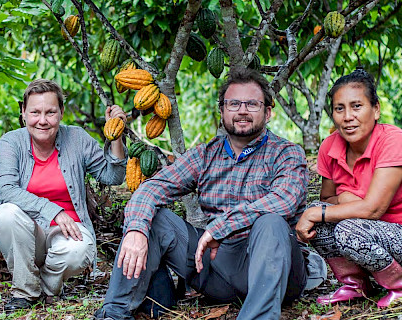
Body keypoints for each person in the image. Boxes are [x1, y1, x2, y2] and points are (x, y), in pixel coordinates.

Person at [94, 68, 309, 320]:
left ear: (268, 112)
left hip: (276, 272)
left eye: (252, 104)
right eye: (234, 104)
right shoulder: (206, 154)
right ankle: (115, 313)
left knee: (271, 221)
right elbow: (152, 188)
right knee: (153, 219)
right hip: (217, 270)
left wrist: (221, 227)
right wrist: (136, 230)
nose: (242, 111)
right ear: (222, 111)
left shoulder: (287, 153)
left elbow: (284, 200)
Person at [0, 79, 128, 311]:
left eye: (50, 112)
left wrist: (117, 136)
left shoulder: (77, 138)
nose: (42, 120)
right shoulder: (12, 141)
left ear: (61, 113)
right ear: (23, 112)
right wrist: (54, 210)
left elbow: (112, 177)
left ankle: (45, 287)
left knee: (81, 249)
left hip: (67, 233)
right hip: (29, 234)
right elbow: (5, 190)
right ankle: (24, 292)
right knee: (6, 214)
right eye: (35, 112)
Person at [296, 69, 402, 308]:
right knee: (322, 219)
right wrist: (345, 199)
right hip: (368, 233)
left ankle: (398, 285)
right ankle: (355, 285)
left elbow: (373, 210)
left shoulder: (393, 141)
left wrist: (322, 210)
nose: (347, 117)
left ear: (376, 110)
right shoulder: (329, 147)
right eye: (339, 108)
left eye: (357, 106)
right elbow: (328, 199)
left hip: (398, 232)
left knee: (344, 227)